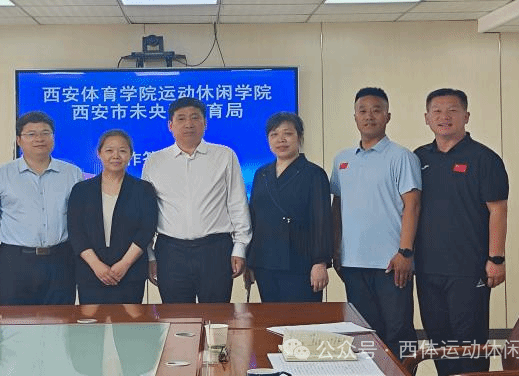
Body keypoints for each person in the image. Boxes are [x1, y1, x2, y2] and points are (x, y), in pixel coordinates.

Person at [414, 88, 508, 376]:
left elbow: (498, 210)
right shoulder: (418, 158)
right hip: (427, 269)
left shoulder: (484, 159)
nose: (444, 117)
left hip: (469, 269)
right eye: (437, 111)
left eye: (452, 110)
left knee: (470, 344)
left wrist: (496, 258)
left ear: (466, 116)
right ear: (427, 118)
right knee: (439, 342)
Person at [330, 87, 420, 360]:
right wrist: (336, 249)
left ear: (387, 116)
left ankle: (403, 375)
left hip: (391, 264)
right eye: (363, 111)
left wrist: (405, 252)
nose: (369, 116)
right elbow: (337, 207)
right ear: (355, 117)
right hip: (353, 262)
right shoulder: (342, 159)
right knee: (364, 333)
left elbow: (413, 205)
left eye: (376, 110)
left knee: (398, 331)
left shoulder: (402, 156)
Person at [142, 97, 251, 304]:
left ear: (205, 123)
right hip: (170, 252)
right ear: (170, 125)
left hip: (215, 249)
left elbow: (237, 204)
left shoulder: (224, 155)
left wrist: (240, 248)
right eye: (181, 118)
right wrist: (150, 255)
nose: (189, 124)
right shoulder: (154, 161)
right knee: (176, 317)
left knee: (217, 315)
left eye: (195, 117)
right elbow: (147, 213)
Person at [0, 111, 83, 305]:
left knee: (61, 320)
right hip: (16, 262)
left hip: (60, 260)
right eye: (31, 134)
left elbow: (80, 223)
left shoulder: (72, 174)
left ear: (53, 138)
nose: (39, 139)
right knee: (15, 321)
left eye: (45, 133)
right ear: (18, 140)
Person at [245, 112, 332, 302]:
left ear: (299, 137)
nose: (281, 140)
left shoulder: (314, 174)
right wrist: (249, 260)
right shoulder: (262, 174)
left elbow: (322, 221)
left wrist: (320, 262)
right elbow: (254, 218)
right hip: (265, 263)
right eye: (274, 134)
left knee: (302, 319)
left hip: (300, 263)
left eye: (288, 133)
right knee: (270, 317)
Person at [68, 129, 158, 304]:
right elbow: (76, 231)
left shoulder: (143, 189)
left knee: (130, 321)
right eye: (109, 150)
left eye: (122, 150)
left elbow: (146, 230)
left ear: (131, 155)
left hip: (130, 272)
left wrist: (124, 264)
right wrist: (96, 266)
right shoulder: (81, 190)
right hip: (91, 272)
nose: (116, 156)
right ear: (99, 153)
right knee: (92, 321)